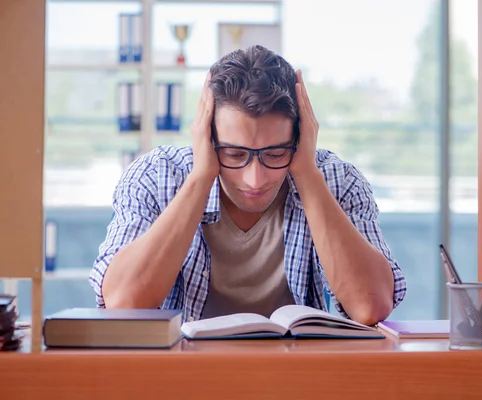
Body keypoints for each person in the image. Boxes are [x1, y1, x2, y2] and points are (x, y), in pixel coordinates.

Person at [89, 45, 406, 325]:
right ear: (207, 137)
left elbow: (370, 307)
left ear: (301, 138)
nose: (255, 179)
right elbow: (124, 304)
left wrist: (307, 174)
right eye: (234, 153)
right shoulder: (155, 176)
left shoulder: (338, 181)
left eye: (276, 153)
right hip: (180, 380)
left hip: (297, 381)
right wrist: (201, 178)